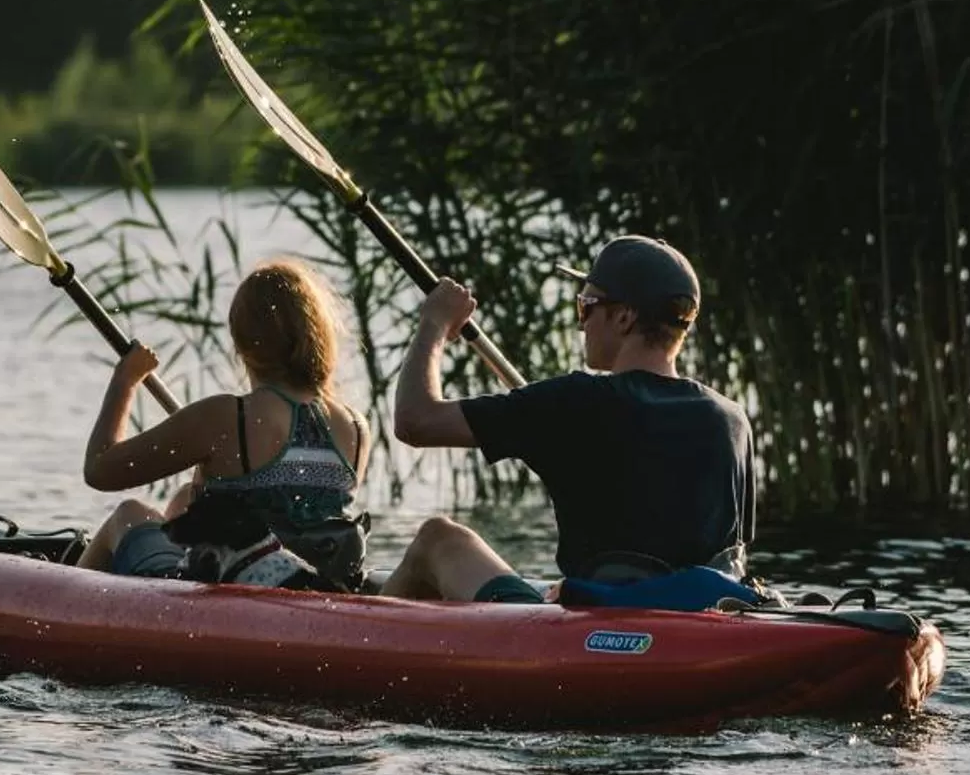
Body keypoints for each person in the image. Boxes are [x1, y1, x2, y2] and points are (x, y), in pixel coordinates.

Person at [380, 235, 754, 603]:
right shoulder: (732, 421)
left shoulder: (574, 402)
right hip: (698, 623)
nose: (583, 324)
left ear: (624, 317)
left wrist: (435, 323)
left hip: (592, 630)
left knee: (438, 538)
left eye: (587, 306)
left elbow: (416, 420)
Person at [77, 258, 372, 587]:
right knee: (183, 498)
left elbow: (99, 468)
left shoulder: (227, 417)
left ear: (242, 343)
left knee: (129, 515)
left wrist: (126, 380)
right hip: (313, 589)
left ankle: (60, 613)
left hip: (229, 595)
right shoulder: (356, 427)